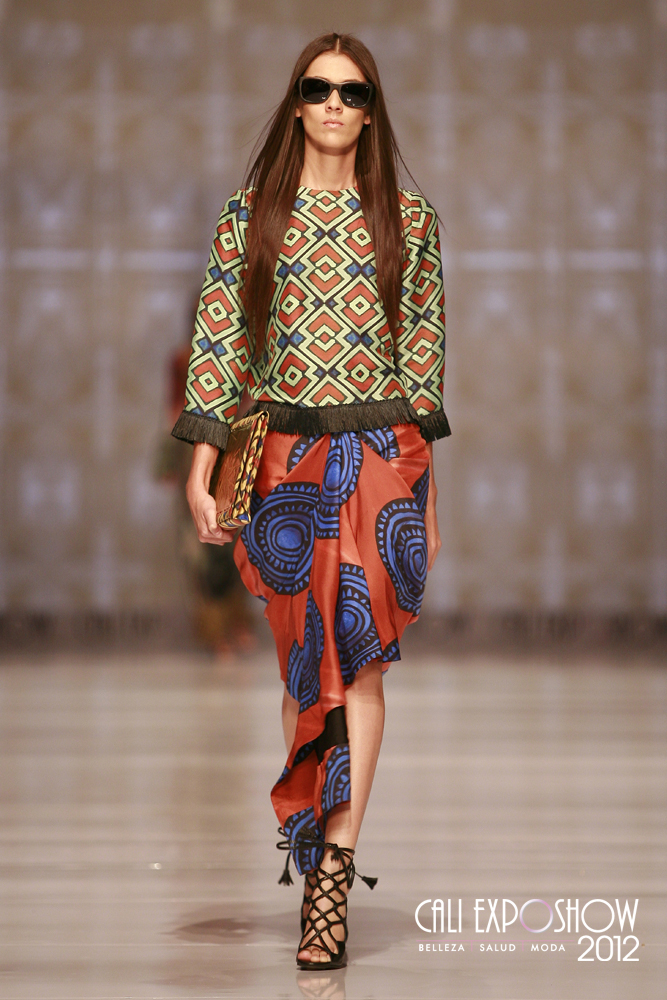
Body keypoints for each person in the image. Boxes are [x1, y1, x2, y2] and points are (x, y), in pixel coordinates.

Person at [171, 32, 450, 970]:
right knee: (305, 671)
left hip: (379, 459)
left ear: (370, 112)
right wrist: (201, 466)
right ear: (296, 102)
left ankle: (333, 869)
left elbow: (422, 362)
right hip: (285, 460)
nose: (335, 103)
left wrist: (421, 490)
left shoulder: (409, 219)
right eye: (319, 87)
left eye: (352, 92)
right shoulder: (250, 216)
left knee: (362, 663)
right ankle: (313, 843)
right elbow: (219, 345)